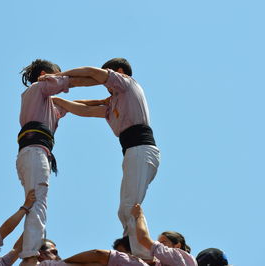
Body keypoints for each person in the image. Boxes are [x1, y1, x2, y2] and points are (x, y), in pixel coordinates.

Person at [40, 58, 160, 260]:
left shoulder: (127, 84)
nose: (104, 84)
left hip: (141, 149)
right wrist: (57, 103)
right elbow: (86, 108)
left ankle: (145, 257)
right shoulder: (114, 102)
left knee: (130, 207)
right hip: (133, 151)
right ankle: (132, 250)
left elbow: (91, 72)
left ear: (120, 72)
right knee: (125, 210)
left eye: (108, 75)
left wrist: (57, 77)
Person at [17, 59, 97, 266]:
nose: (61, 80)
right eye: (57, 75)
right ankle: (30, 256)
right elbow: (73, 81)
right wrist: (104, 78)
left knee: (38, 203)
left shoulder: (47, 103)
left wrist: (105, 101)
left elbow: (78, 105)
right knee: (38, 203)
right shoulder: (38, 88)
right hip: (34, 152)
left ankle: (31, 251)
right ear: (45, 75)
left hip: (35, 153)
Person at [131, 204, 198, 266]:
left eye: (163, 242)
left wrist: (139, 216)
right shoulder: (185, 261)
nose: (159, 245)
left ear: (177, 246)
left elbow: (143, 238)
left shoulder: (176, 255)